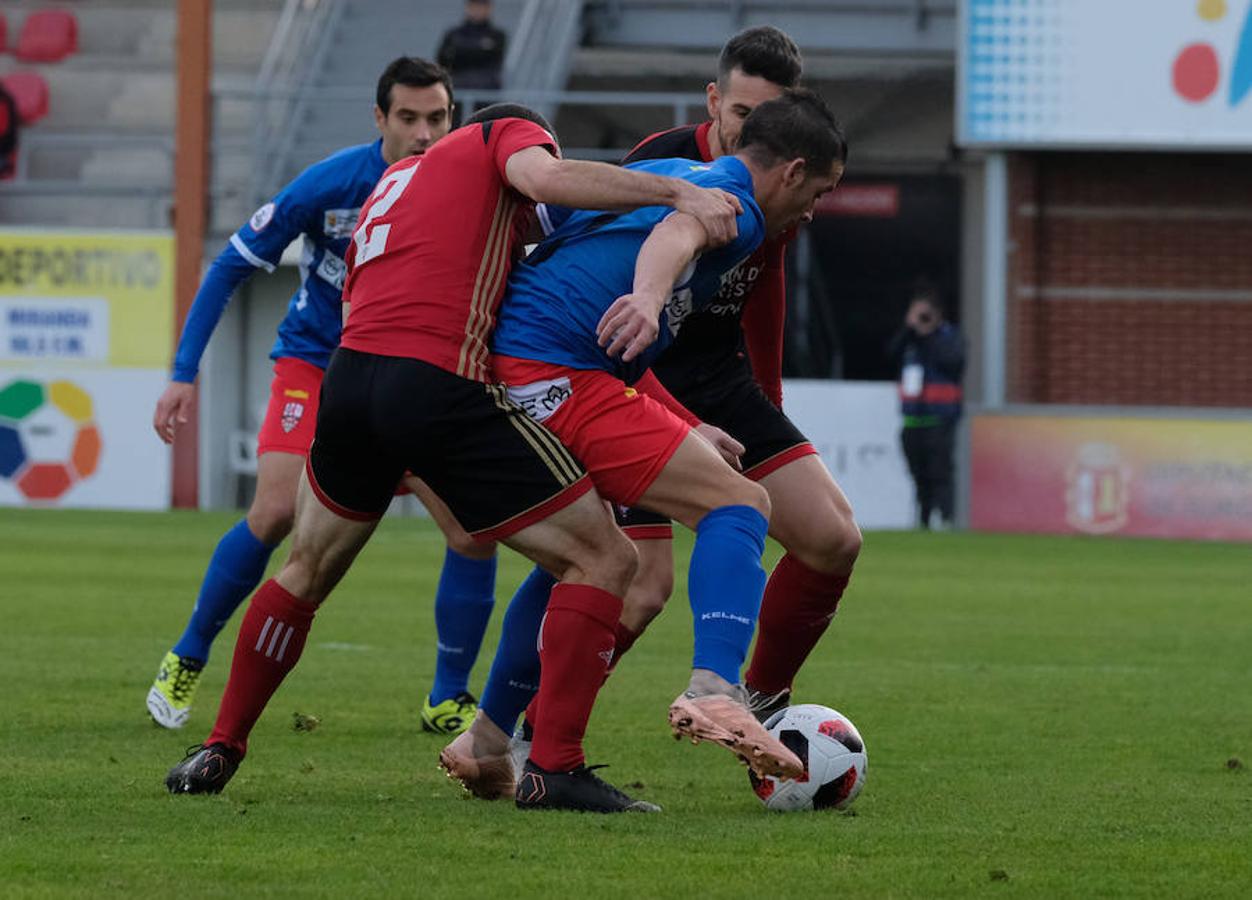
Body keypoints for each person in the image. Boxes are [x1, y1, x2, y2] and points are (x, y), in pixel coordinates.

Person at [164, 103, 745, 814]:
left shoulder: (398, 182)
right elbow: (549, 180)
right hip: (436, 385)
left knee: (305, 569)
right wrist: (675, 191)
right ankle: (554, 766)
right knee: (608, 560)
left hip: (350, 382)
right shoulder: (503, 137)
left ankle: (222, 743)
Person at [442, 89, 846, 801]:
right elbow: (677, 236)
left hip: (538, 364)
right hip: (553, 371)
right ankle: (717, 690)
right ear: (792, 172)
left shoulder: (677, 176)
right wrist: (650, 298)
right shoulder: (735, 201)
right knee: (740, 504)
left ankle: (489, 741)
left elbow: (560, 233)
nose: (814, 210)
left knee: (585, 559)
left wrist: (683, 421)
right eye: (820, 190)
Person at [146, 57, 491, 737]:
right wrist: (183, 371)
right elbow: (231, 265)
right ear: (379, 119)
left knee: (473, 529)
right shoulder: (333, 183)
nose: (426, 133)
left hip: (412, 373)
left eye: (439, 117)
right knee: (276, 509)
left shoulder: (470, 186)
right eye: (409, 118)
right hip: (317, 365)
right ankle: (188, 653)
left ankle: (447, 695)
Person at [887, 284, 965, 529]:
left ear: (938, 314)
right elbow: (889, 355)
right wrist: (908, 329)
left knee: (940, 473)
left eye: (926, 314)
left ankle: (946, 519)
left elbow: (953, 363)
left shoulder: (949, 337)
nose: (922, 319)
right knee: (919, 475)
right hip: (912, 420)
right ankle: (923, 521)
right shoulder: (909, 340)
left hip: (940, 419)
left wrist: (929, 333)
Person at [436, 0, 507, 93]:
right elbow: (442, 59)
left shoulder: (497, 35)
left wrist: (460, 51)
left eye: (481, 6)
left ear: (489, 8)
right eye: (474, 6)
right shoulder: (453, 34)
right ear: (467, 8)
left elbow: (495, 59)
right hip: (457, 86)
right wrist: (481, 49)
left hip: (486, 88)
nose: (478, 10)